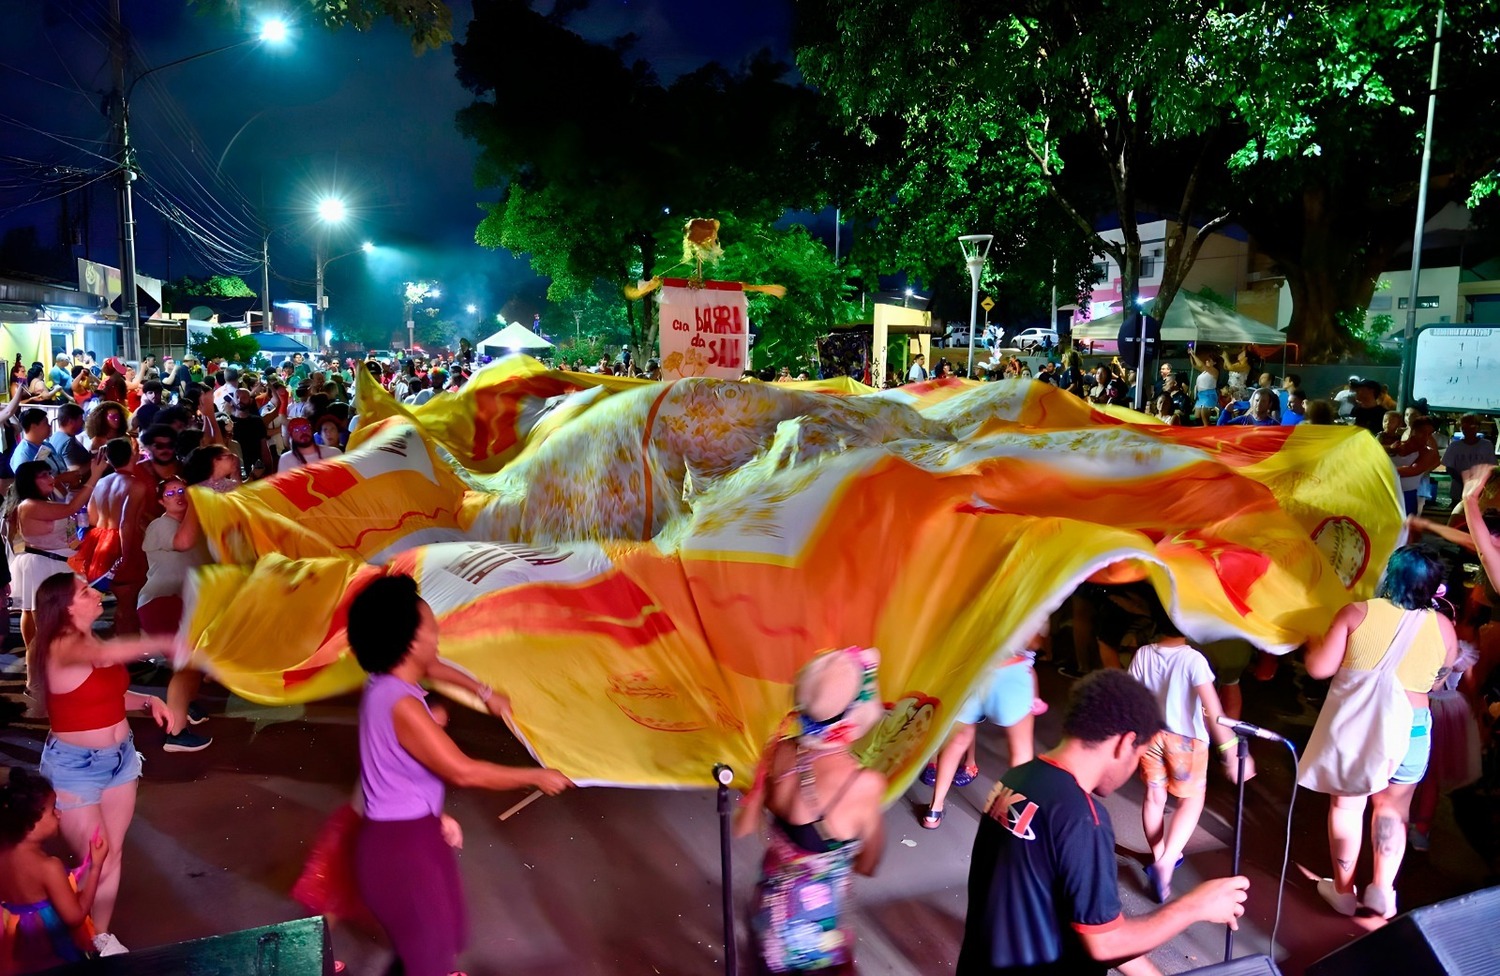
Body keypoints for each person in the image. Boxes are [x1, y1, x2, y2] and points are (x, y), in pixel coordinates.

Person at [348, 574, 572, 976]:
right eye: (432, 627)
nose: (437, 635)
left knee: (440, 938)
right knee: (429, 952)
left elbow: (432, 668)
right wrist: (536, 777)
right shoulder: (402, 706)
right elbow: (463, 772)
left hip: (412, 833)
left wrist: (484, 694)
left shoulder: (385, 681)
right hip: (401, 853)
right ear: (411, 642)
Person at [957, 669, 1248, 976]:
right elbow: (1105, 943)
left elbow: (1095, 926)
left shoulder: (1020, 778)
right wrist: (1194, 906)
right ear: (1126, 743)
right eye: (1138, 756)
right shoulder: (1082, 818)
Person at [1302, 544, 1458, 919]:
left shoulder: (1356, 613)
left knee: (1348, 805)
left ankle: (1343, 891)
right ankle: (1381, 893)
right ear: (1434, 587)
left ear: (1390, 575)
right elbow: (1439, 682)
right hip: (1414, 729)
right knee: (1392, 808)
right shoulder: (1443, 626)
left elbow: (1319, 669)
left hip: (1359, 726)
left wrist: (1311, 642)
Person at [33, 572, 176, 955]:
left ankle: (100, 937)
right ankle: (79, 941)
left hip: (121, 759)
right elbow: (102, 658)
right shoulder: (60, 646)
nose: (97, 593)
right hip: (75, 771)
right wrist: (164, 641)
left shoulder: (90, 638)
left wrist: (147, 700)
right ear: (64, 609)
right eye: (85, 591)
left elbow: (109, 688)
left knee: (112, 855)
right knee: (94, 860)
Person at [734, 646, 887, 973]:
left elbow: (743, 825)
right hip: (813, 937)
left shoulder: (778, 750)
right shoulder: (863, 784)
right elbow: (869, 863)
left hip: (766, 912)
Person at [1127, 611, 1252, 902]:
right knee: (1191, 800)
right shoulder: (1194, 660)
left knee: (1154, 797)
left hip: (1150, 734)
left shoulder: (1143, 654)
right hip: (1186, 740)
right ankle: (1167, 861)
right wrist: (1231, 753)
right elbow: (1214, 710)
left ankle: (1159, 856)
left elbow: (1132, 696)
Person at [6, 457, 109, 706]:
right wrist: (93, 477)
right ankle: (38, 683)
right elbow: (70, 509)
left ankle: (55, 678)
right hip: (43, 567)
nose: (50, 478)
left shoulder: (45, 501)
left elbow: (69, 526)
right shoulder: (30, 505)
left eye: (49, 474)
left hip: (55, 565)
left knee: (53, 626)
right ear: (29, 481)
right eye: (43, 475)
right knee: (45, 629)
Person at [922, 631, 1045, 830]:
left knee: (956, 740)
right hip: (1011, 674)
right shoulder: (1028, 601)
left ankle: (933, 811)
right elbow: (1033, 642)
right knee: (1020, 754)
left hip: (973, 670)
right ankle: (1013, 820)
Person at [0, 768, 109, 969]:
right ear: (30, 823)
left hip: (12, 938)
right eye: (52, 810)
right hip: (45, 943)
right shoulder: (48, 867)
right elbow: (75, 918)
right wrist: (96, 867)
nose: (58, 814)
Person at [138, 475, 212, 752]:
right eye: (170, 494)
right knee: (189, 664)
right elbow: (182, 543)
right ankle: (176, 732)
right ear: (161, 502)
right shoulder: (160, 526)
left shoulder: (196, 527)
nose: (178, 496)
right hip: (161, 602)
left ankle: (186, 705)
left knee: (195, 663)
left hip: (183, 603)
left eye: (182, 490)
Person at [1186, 346, 1221, 426]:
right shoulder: (1205, 371)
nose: (1207, 361)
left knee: (1204, 416)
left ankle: (1207, 431)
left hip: (1209, 395)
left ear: (1214, 363)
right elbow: (1194, 365)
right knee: (1197, 416)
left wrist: (1194, 355)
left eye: (1209, 360)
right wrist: (1191, 355)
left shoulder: (1214, 371)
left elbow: (1201, 365)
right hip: (1201, 395)